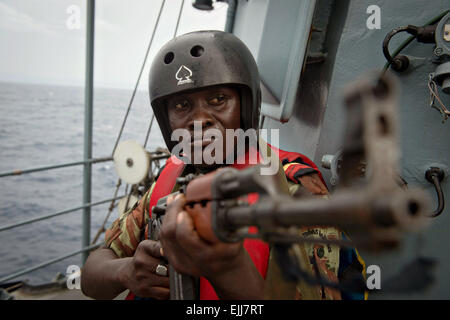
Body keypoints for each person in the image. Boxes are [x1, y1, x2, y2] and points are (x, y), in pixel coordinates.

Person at [81, 30, 365, 300]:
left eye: (218, 100)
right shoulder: (172, 178)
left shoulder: (293, 189)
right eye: (181, 106)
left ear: (246, 106)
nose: (198, 120)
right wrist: (126, 271)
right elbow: (91, 276)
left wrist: (226, 268)